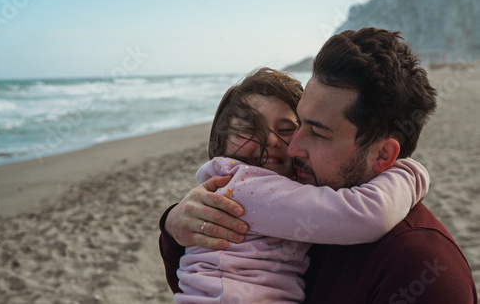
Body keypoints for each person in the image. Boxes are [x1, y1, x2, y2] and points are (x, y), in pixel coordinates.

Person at [160, 28, 478, 302]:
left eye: (318, 133)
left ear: (383, 156)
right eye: (299, 124)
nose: (293, 147)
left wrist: (411, 173)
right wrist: (174, 226)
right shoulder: (307, 202)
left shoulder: (422, 272)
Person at [174, 68, 429, 303]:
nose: (271, 140)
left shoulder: (282, 190)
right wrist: (409, 171)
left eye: (286, 130)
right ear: (221, 139)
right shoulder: (242, 188)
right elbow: (367, 214)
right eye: (249, 128)